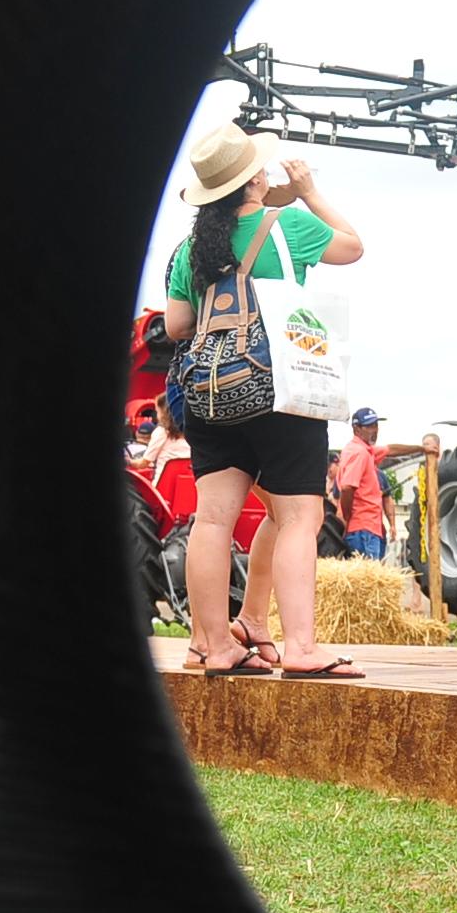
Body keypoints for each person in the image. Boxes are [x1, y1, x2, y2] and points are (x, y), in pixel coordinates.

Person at [160, 120, 368, 677]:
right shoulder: (288, 226)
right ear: (255, 179)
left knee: (212, 521)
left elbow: (178, 325)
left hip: (208, 394)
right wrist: (307, 192)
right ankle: (301, 647)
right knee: (300, 515)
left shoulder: (189, 250)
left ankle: (213, 645)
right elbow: (353, 247)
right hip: (278, 387)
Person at [331, 407, 392, 561]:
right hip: (364, 530)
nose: (375, 430)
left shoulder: (363, 451)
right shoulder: (360, 453)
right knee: (368, 581)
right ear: (356, 429)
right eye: (369, 426)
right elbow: (347, 488)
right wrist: (347, 516)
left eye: (376, 425)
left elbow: (391, 449)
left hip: (365, 529)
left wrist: (421, 449)